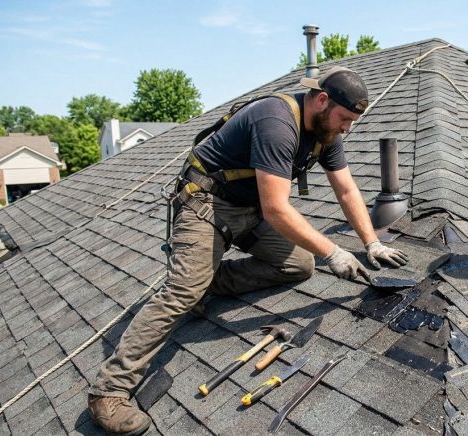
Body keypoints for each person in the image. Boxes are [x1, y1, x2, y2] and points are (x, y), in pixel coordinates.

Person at [87, 67, 409, 435]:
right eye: (345, 119)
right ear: (322, 100)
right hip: (205, 206)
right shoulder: (276, 121)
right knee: (181, 293)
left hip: (249, 210)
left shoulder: (326, 129)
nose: (346, 128)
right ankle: (108, 392)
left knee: (299, 265)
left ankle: (204, 280)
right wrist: (334, 252)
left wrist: (372, 242)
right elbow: (277, 209)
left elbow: (347, 190)